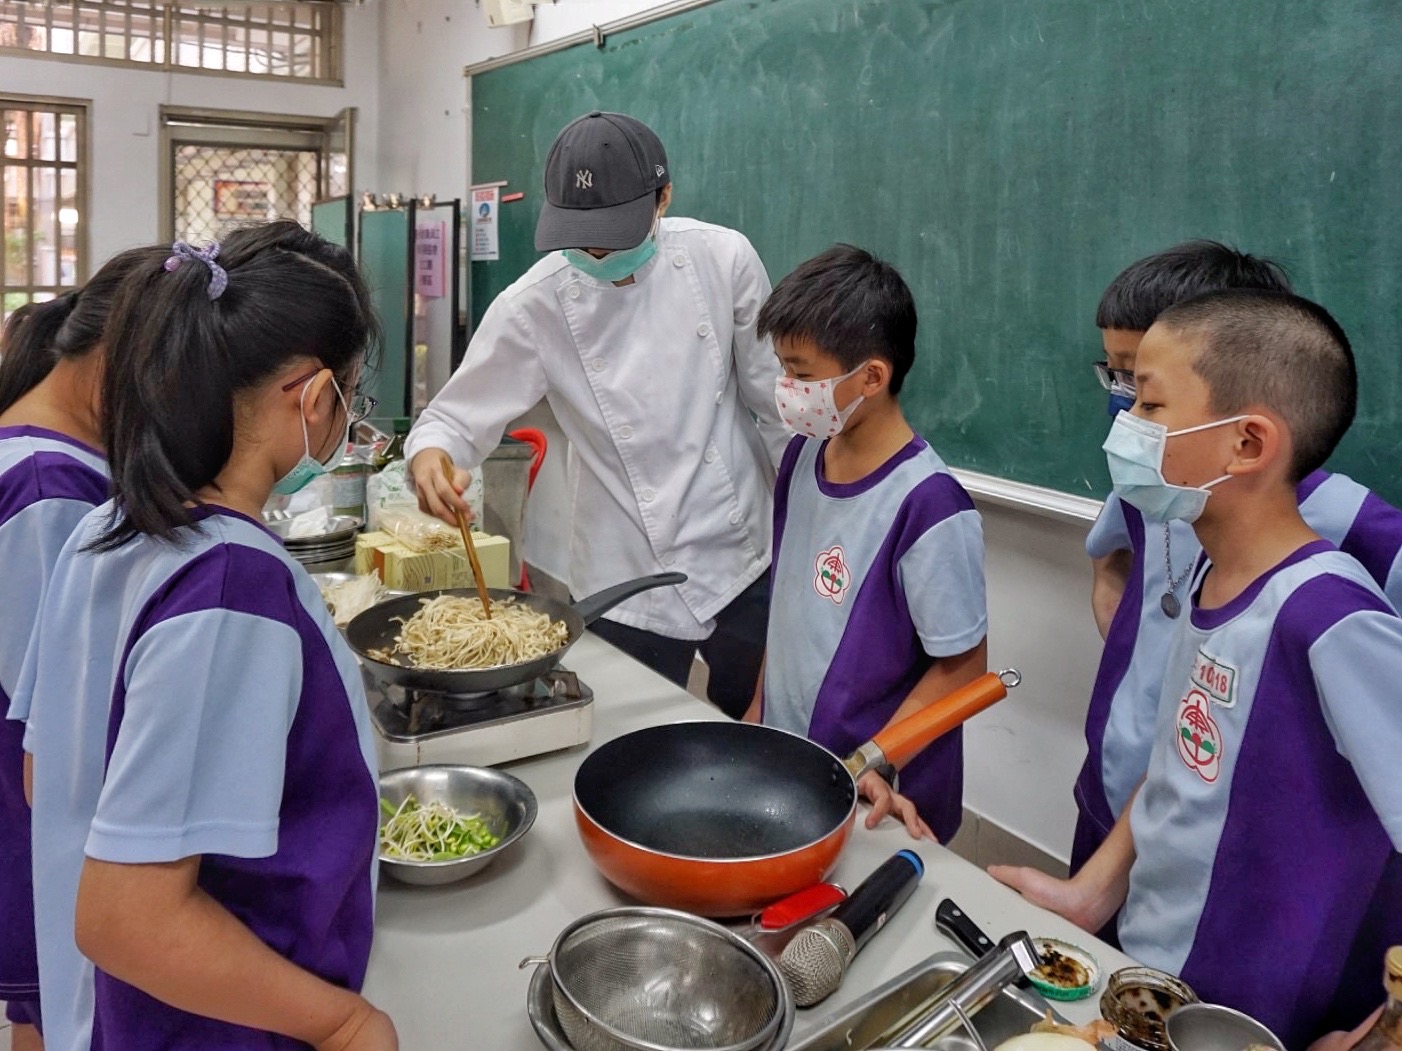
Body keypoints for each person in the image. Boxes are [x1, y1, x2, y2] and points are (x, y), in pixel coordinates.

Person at [10, 222, 397, 1050]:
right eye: (351, 399)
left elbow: (51, 773)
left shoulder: (109, 526)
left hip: (106, 1013)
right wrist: (342, 1018)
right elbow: (130, 919)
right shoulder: (232, 585)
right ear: (313, 396)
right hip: (211, 1025)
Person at [994, 289, 1402, 1047]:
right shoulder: (1208, 576)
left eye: (1149, 404)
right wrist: (1090, 893)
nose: (1125, 427)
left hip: (1259, 1018)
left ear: (1246, 443)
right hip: (1158, 982)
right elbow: (1182, 761)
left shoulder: (1330, 618)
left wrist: (1383, 1032)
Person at [406, 111, 787, 718]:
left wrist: (809, 528)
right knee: (630, 740)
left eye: (614, 232)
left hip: (740, 552)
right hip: (623, 572)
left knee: (761, 731)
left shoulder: (723, 260)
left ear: (664, 197)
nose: (598, 250)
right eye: (581, 235)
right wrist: (432, 460)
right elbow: (452, 421)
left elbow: (777, 407)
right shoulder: (534, 304)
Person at [1070, 242, 1402, 892]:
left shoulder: (1346, 535)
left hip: (1232, 860)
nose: (1123, 414)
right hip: (1122, 802)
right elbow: (1110, 561)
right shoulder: (1150, 486)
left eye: (1142, 385)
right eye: (1113, 378)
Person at [743, 245, 988, 843]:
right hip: (795, 766)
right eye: (781, 368)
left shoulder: (930, 506)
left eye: (801, 373)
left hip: (881, 795)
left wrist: (875, 758)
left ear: (872, 377)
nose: (786, 388)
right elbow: (789, 608)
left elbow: (965, 669)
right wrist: (757, 712)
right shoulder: (803, 455)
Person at [0, 246, 167, 1051]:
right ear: (114, 361)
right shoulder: (48, 491)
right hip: (40, 832)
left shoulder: (46, 450)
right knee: (55, 1009)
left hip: (41, 821)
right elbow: (64, 722)